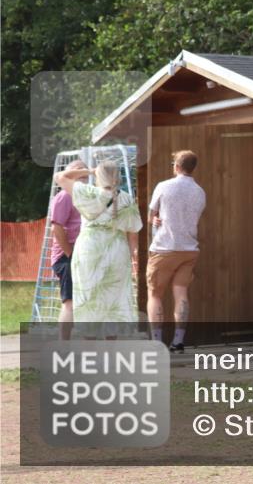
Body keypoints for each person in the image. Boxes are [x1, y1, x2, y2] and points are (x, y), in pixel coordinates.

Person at [55, 160, 143, 337]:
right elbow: (133, 232)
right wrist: (135, 257)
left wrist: (88, 171)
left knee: (89, 297)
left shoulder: (88, 193)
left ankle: (91, 346)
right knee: (114, 298)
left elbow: (60, 177)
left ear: (98, 176)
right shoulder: (126, 198)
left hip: (90, 250)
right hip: (117, 250)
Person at [148, 150, 206, 353]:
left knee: (155, 294)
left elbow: (151, 216)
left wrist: (154, 220)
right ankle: (178, 341)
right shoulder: (200, 191)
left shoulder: (163, 186)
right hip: (189, 249)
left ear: (177, 166)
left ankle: (157, 342)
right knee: (181, 294)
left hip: (164, 248)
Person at [50, 159, 87, 340]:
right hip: (67, 257)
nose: (82, 173)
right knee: (69, 302)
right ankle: (63, 345)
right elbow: (56, 228)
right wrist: (70, 254)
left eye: (84, 169)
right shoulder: (65, 196)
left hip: (83, 254)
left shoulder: (88, 194)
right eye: (77, 170)